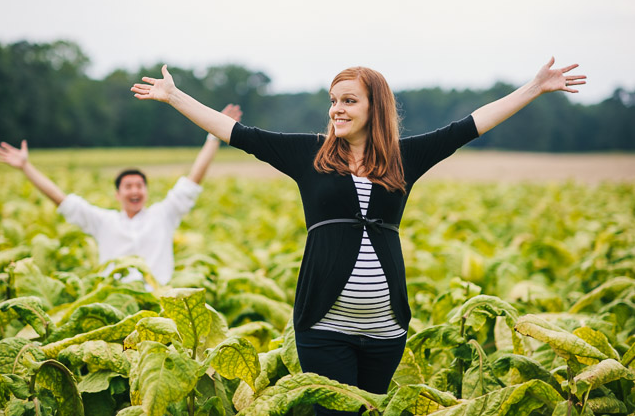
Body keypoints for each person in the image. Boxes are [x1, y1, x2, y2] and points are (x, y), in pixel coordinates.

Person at [131, 58, 585, 414]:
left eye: (349, 100)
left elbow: (470, 125)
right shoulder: (308, 154)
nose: (337, 109)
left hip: (386, 331)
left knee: (370, 412)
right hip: (324, 328)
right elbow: (236, 132)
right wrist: (175, 97)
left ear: (375, 107)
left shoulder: (404, 158)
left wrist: (535, 87)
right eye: (333, 100)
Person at [0, 104, 242, 286]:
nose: (134, 190)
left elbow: (193, 179)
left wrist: (214, 136)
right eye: (128, 186)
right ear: (118, 194)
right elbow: (61, 199)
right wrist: (26, 167)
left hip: (157, 300)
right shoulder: (103, 221)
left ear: (145, 191)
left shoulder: (163, 214)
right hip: (114, 300)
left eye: (139, 186)